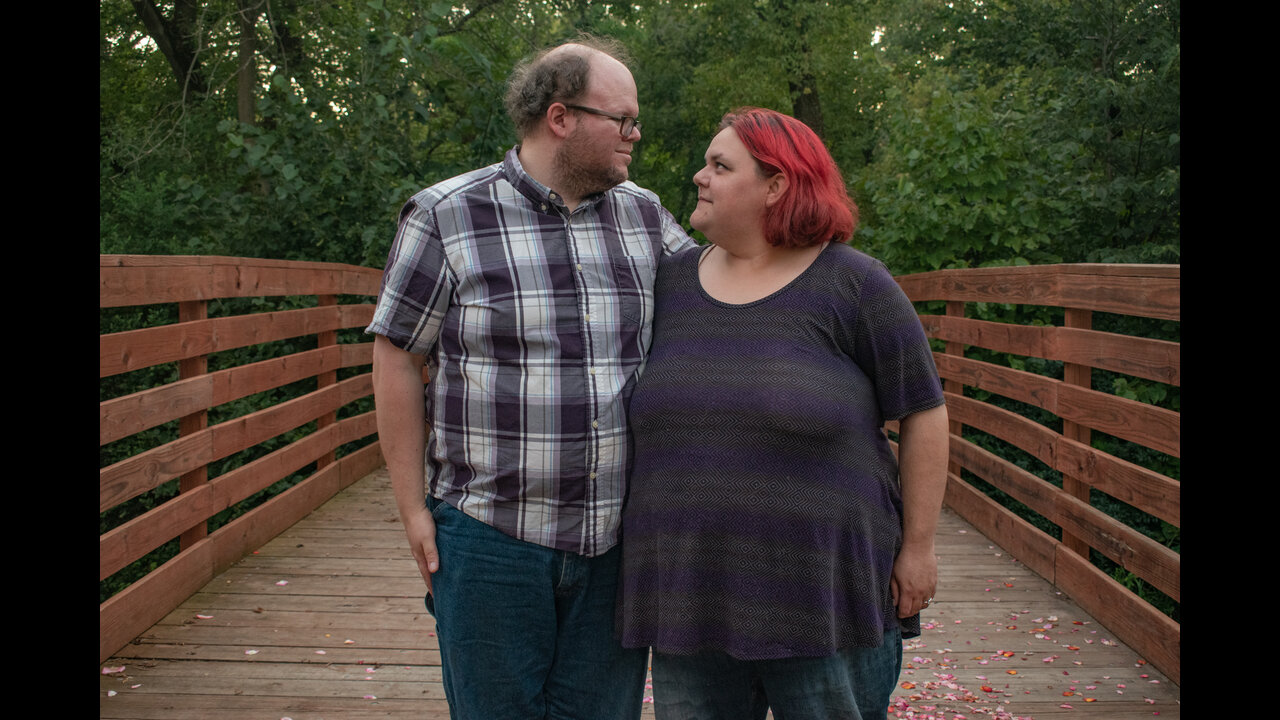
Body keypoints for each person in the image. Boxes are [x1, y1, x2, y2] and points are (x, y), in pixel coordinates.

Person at [367, 36, 696, 719]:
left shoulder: (643, 215)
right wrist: (410, 509)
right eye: (623, 119)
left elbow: (722, 302)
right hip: (489, 538)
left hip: (614, 540)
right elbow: (398, 354)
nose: (635, 134)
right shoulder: (446, 214)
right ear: (561, 117)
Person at [617, 107, 950, 720]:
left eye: (720, 165)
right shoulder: (667, 285)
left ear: (776, 186)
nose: (700, 176)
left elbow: (924, 412)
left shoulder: (854, 284)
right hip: (689, 596)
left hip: (822, 596)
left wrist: (920, 548)